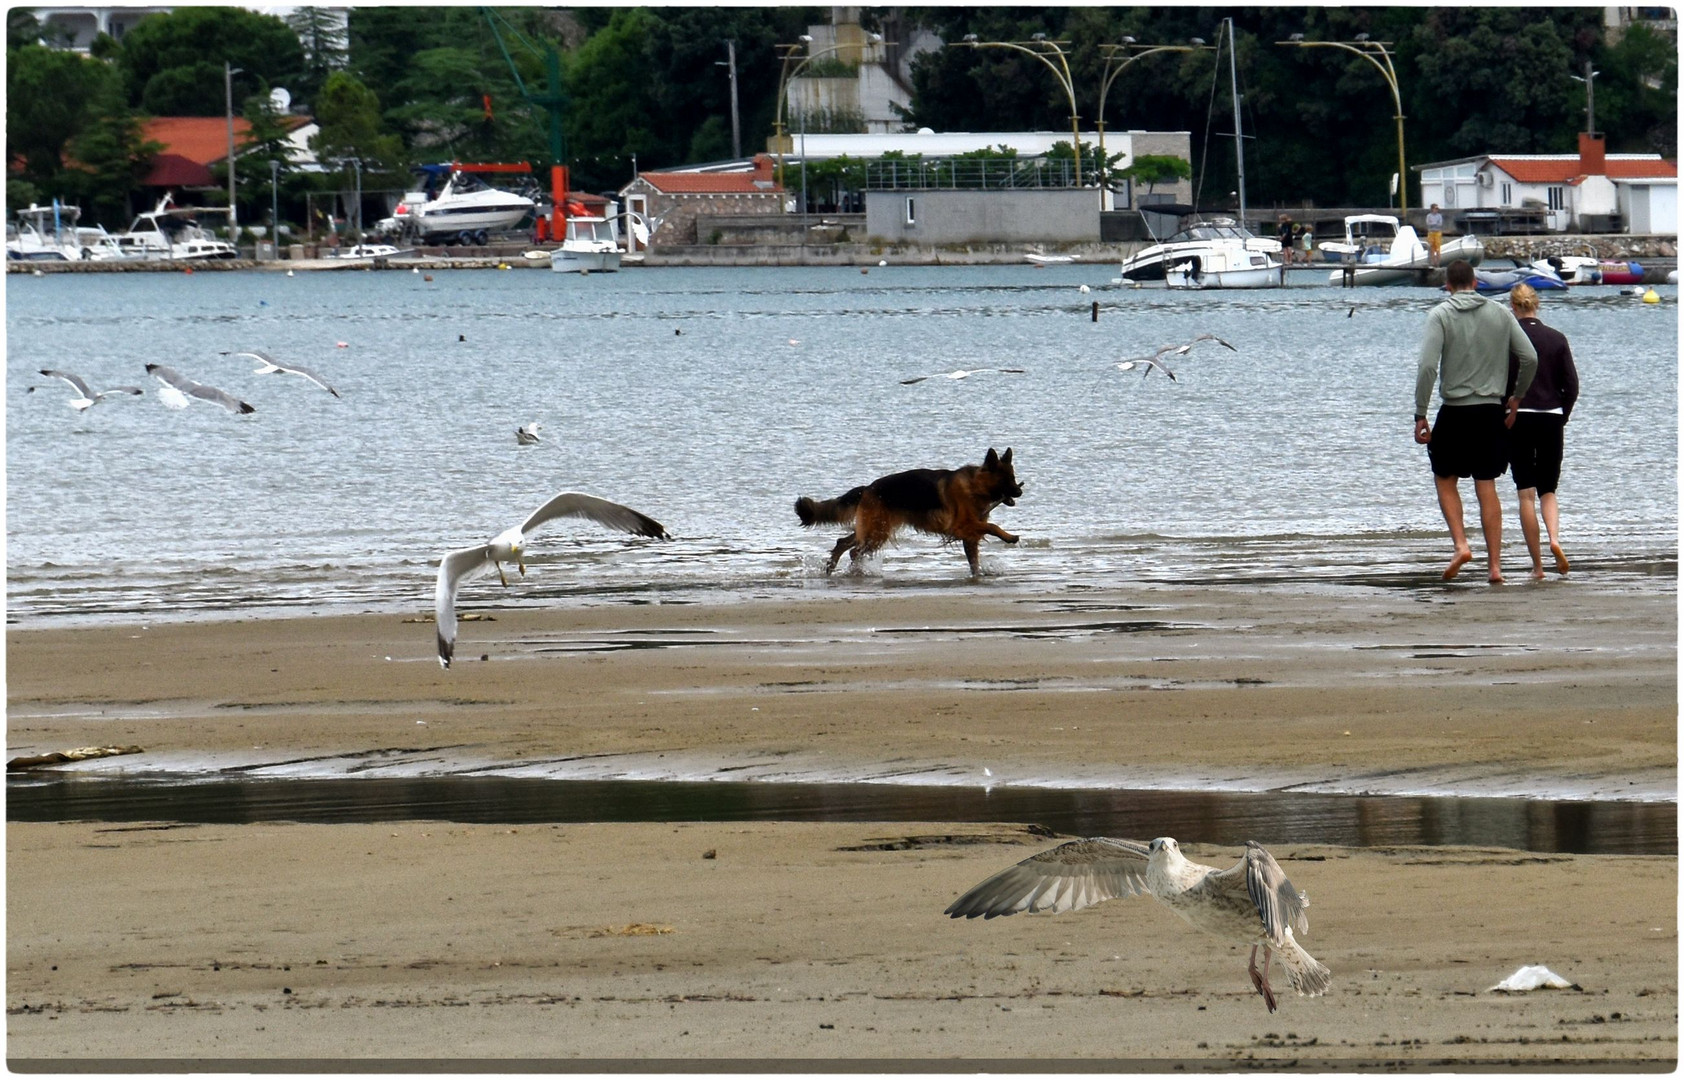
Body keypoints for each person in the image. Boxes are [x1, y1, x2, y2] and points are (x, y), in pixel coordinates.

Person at [1414, 259, 1538, 583]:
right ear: (1476, 283)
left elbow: (1427, 366)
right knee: (1487, 486)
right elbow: (1530, 357)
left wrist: (1420, 412)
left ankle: (1461, 544)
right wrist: (1517, 397)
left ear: (1448, 285)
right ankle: (1495, 567)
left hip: (1455, 410)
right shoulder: (1500, 313)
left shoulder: (1440, 314)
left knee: (1445, 478)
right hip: (1490, 411)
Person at [1505, 283, 1579, 579]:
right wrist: (1563, 415)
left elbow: (1502, 384)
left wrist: (1503, 413)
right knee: (1548, 489)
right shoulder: (1557, 339)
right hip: (1551, 416)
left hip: (1518, 417)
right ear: (1537, 305)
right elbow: (1572, 385)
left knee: (1526, 493)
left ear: (1513, 307)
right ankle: (1555, 539)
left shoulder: (1508, 341)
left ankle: (1537, 566)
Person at [1425, 203, 1445, 268]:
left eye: (1437, 209)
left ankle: (1438, 263)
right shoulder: (1429, 216)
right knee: (1431, 248)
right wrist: (1435, 224)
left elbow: (1440, 224)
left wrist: (1433, 224)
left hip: (1438, 233)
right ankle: (1432, 262)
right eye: (1435, 208)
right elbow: (1428, 223)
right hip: (1431, 233)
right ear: (1432, 209)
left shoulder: (1439, 216)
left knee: (1438, 248)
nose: (1436, 210)